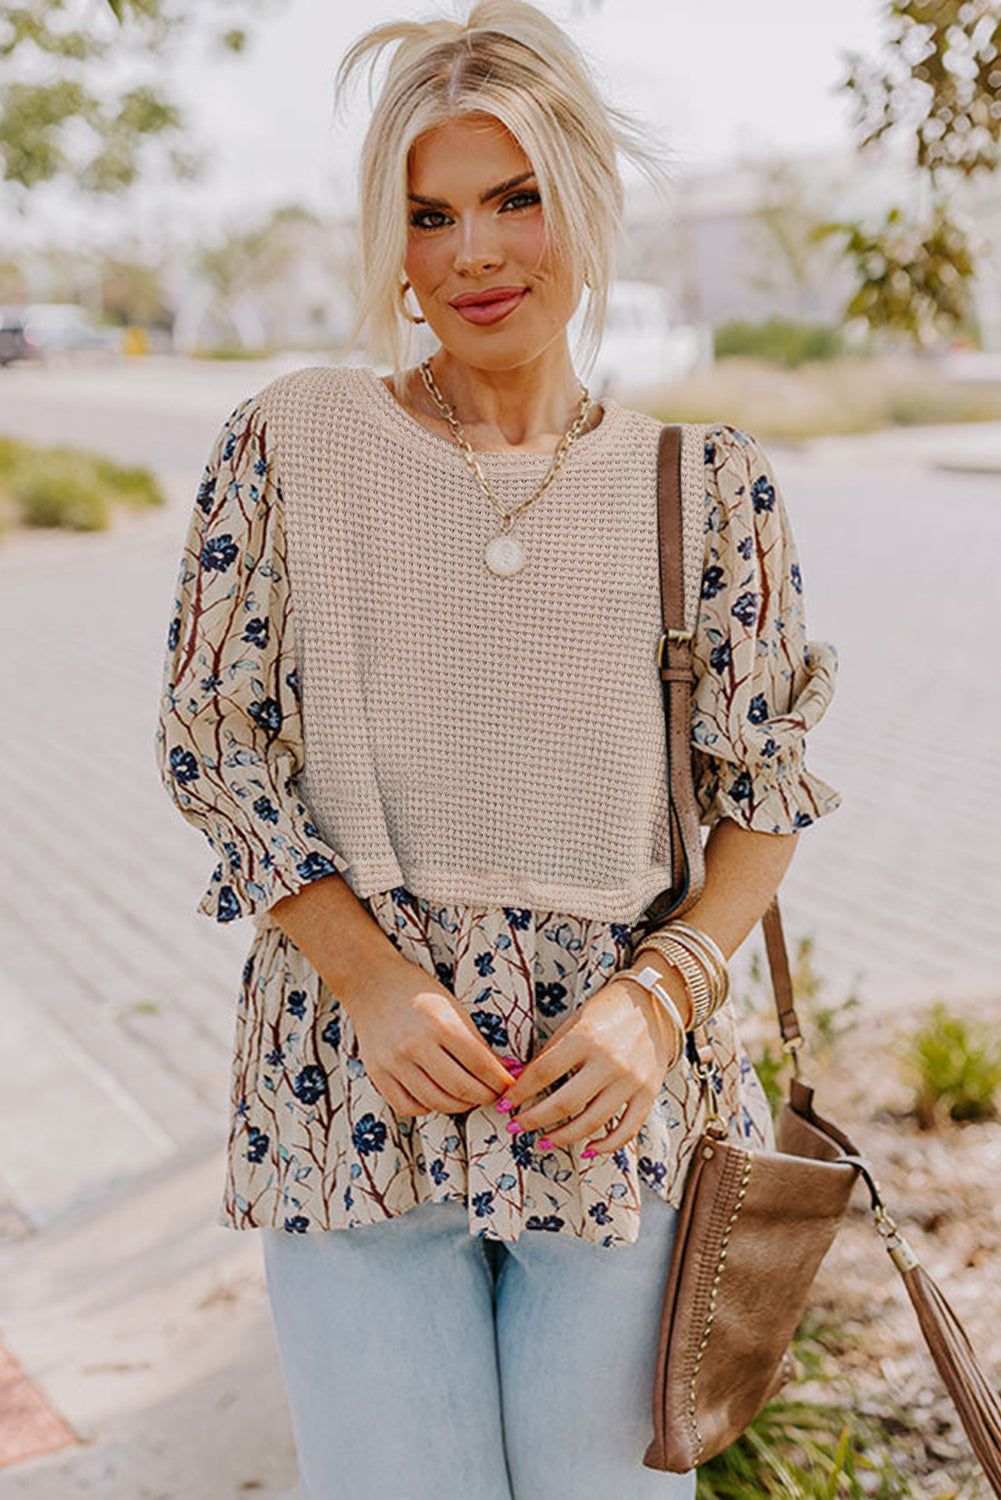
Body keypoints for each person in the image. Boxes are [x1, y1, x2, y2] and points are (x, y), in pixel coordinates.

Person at [155, 2, 842, 1495]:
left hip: (611, 1109)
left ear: (583, 201)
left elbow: (764, 790)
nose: (474, 252)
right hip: (353, 1095)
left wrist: (659, 1000)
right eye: (430, 215)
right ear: (392, 248)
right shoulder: (290, 443)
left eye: (514, 199)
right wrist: (367, 976)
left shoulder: (704, 486)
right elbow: (213, 742)